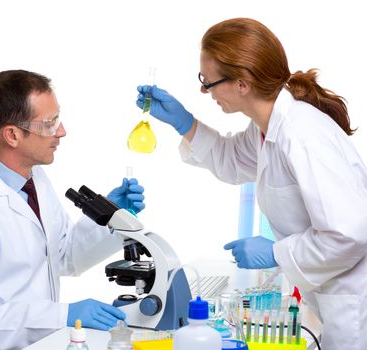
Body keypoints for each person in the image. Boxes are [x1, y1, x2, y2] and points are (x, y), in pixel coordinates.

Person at [136, 18, 367, 350]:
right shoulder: (267, 126)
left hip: (353, 304)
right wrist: (183, 122)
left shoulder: (302, 133)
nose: (205, 91)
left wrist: (275, 252)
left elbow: (350, 233)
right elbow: (232, 161)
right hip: (333, 297)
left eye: (208, 81)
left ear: (242, 83)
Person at [0, 69, 146, 350]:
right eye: (49, 123)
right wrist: (63, 315)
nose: (62, 131)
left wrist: (112, 216)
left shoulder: (33, 180)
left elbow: (61, 255)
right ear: (12, 135)